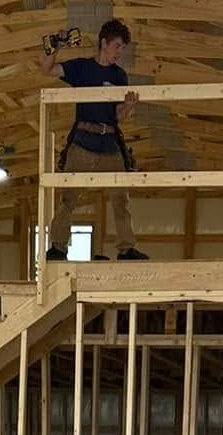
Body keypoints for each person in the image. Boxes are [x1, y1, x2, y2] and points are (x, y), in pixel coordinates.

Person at [37, 18, 148, 262]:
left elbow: (117, 116)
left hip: (109, 143)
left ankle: (126, 249)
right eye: (117, 46)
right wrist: (56, 46)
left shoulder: (120, 76)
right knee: (68, 198)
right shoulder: (82, 68)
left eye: (122, 48)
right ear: (104, 43)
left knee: (121, 199)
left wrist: (128, 108)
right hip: (82, 142)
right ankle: (58, 248)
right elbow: (47, 69)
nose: (120, 52)